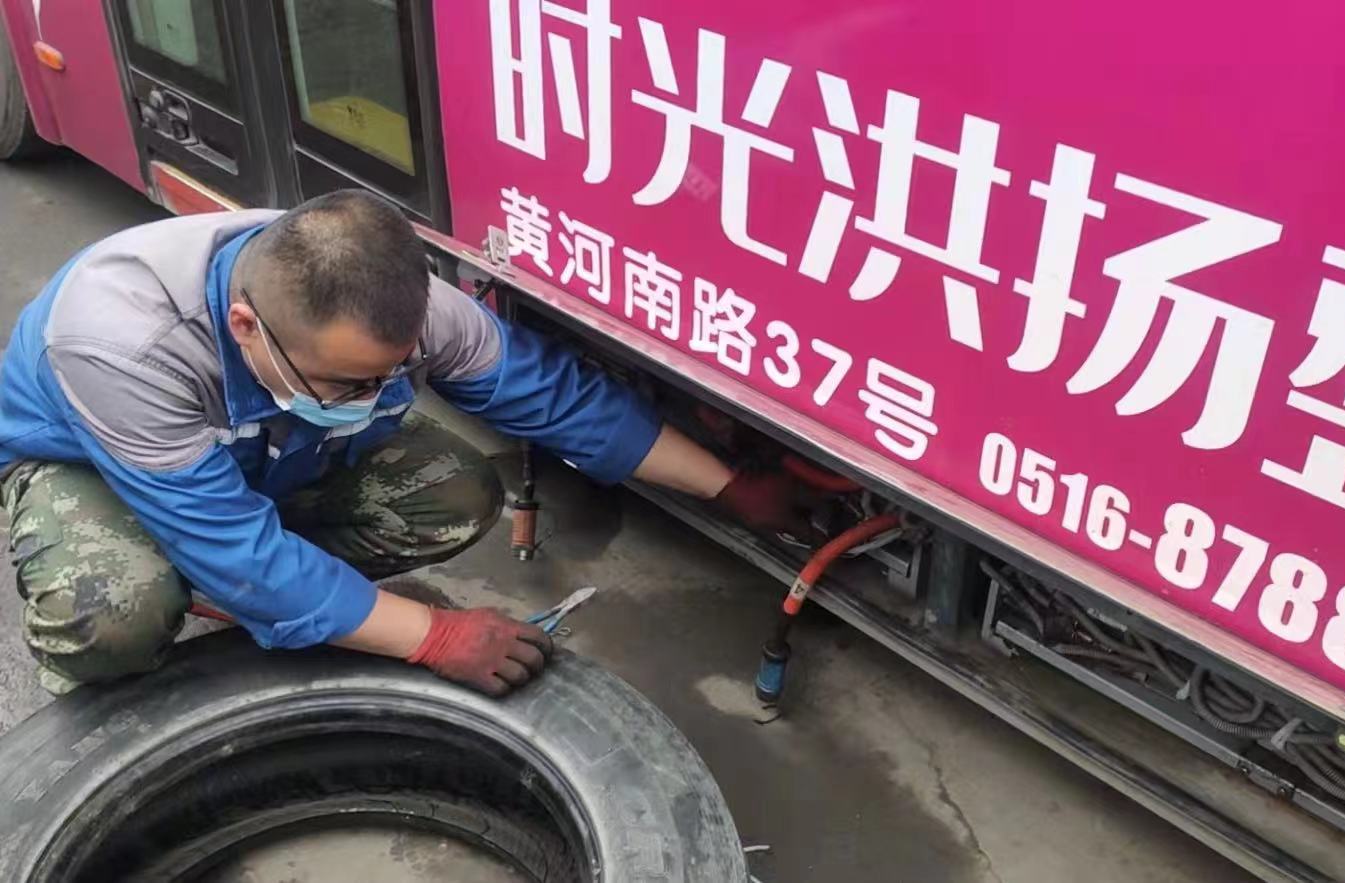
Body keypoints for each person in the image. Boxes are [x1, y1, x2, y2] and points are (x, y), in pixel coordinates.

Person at [0, 190, 799, 697]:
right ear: (246, 327)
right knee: (115, 610)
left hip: (265, 451)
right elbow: (233, 547)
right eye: (350, 385)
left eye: (391, 375)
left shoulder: (403, 307)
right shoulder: (122, 345)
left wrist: (726, 485)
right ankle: (109, 667)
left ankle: (295, 600)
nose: (377, 396)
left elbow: (554, 399)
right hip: (92, 464)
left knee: (455, 494)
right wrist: (435, 635)